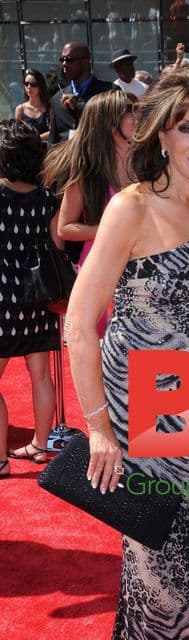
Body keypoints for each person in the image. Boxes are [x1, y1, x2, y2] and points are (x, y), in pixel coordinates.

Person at [44, 64, 189, 640]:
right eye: (187, 126)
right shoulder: (130, 206)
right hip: (144, 399)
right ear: (160, 134)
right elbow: (78, 322)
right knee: (154, 543)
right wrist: (98, 430)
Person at [44, 89, 137, 336]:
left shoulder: (147, 165)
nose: (136, 116)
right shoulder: (89, 173)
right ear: (108, 122)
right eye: (128, 110)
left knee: (135, 343)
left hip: (140, 269)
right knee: (97, 344)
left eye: (137, 109)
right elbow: (65, 227)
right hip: (98, 267)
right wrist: (110, 231)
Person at [0, 121, 60, 476]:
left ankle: (1, 461)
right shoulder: (47, 199)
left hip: (3, 300)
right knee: (40, 376)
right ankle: (41, 443)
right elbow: (55, 248)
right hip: (38, 298)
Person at [49, 41, 113, 144]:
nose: (64, 64)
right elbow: (53, 142)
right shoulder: (56, 99)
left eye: (69, 60)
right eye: (62, 60)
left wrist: (80, 107)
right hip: (68, 159)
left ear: (85, 62)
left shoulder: (108, 93)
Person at [14, 69, 50, 142]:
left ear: (40, 86)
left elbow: (53, 131)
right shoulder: (20, 109)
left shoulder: (49, 107)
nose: (29, 87)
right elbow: (17, 133)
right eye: (26, 83)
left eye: (33, 84)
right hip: (26, 151)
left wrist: (36, 140)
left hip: (46, 149)